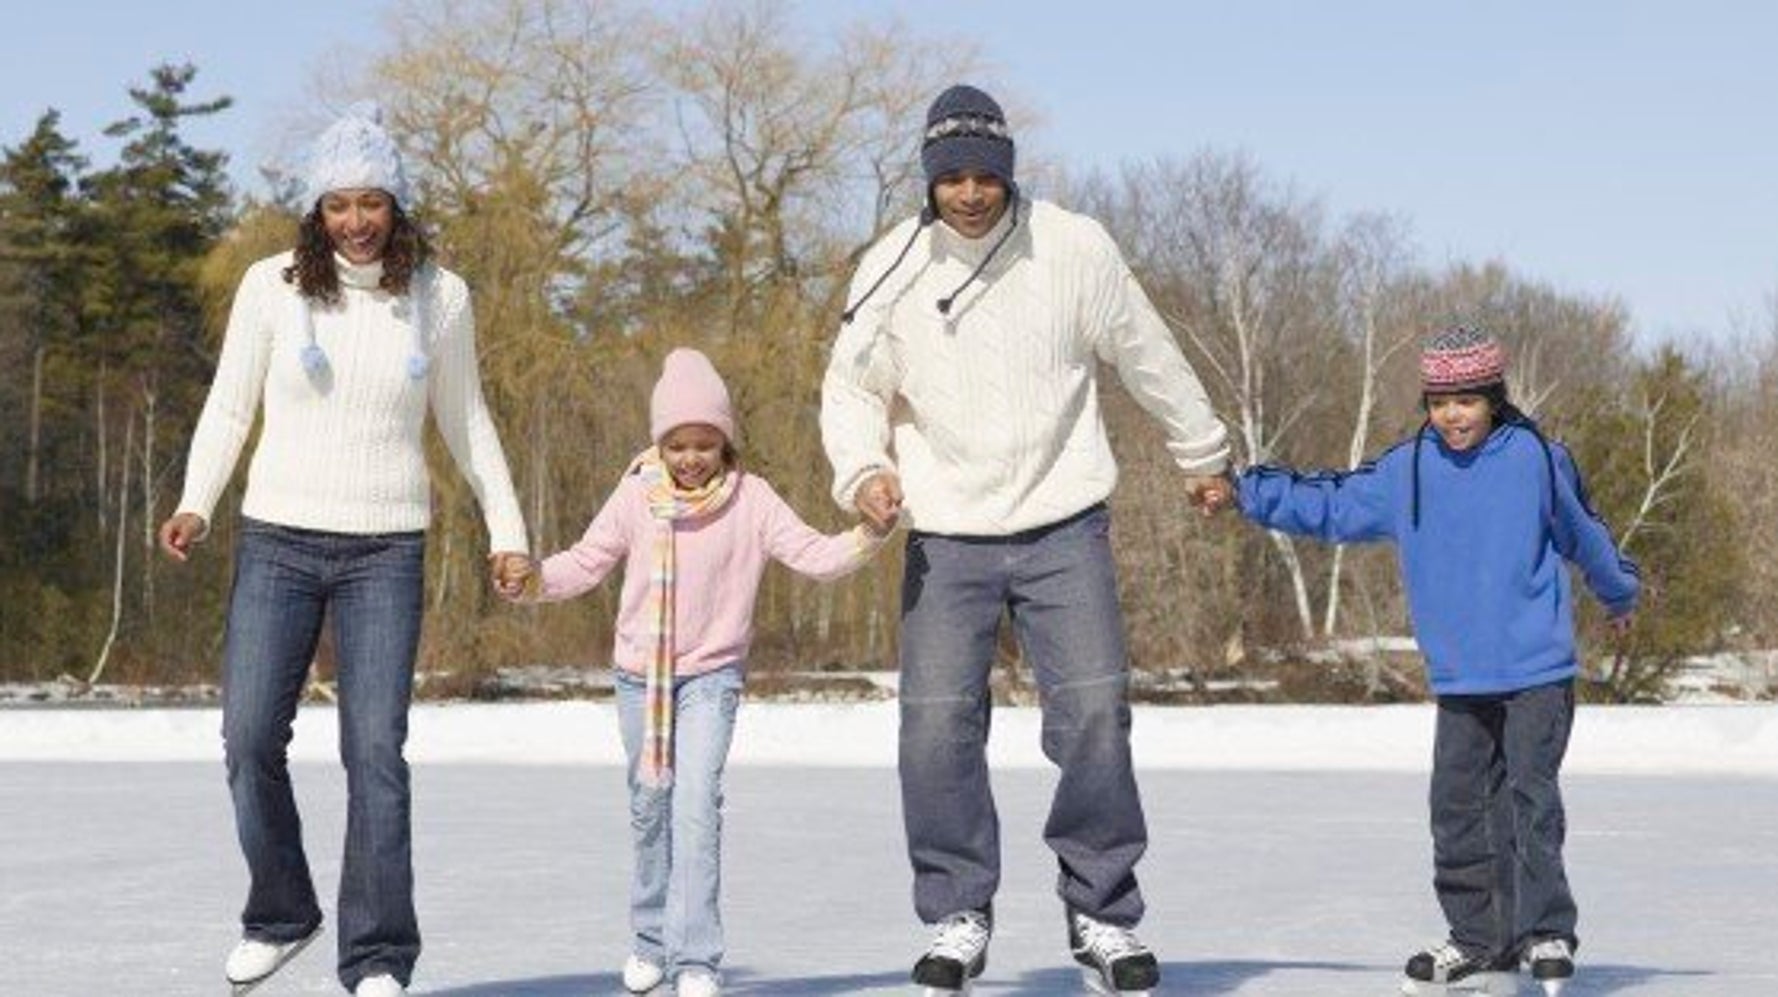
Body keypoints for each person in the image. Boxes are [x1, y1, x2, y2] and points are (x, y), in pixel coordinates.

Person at [820, 83, 1232, 995]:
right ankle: (956, 910)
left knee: (1093, 714)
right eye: (952, 177)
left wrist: (1201, 450)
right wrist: (864, 471)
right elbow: (849, 389)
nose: (970, 193)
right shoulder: (890, 265)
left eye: (985, 175)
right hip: (945, 533)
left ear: (1010, 171)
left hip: (1064, 521)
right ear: (928, 180)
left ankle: (1102, 910)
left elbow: (1147, 350)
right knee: (934, 729)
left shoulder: (1075, 247)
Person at [157, 102, 529, 997]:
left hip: (384, 550)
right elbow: (229, 406)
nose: (356, 221)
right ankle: (281, 911)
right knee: (248, 737)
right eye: (338, 205)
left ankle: (377, 954)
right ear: (316, 212)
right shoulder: (269, 286)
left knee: (376, 753)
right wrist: (195, 502)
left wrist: (508, 532)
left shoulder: (441, 295)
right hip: (279, 537)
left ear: (396, 207)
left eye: (372, 203)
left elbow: (467, 421)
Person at [1230, 324, 1639, 997]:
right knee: (1455, 807)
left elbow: (1583, 531)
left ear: (1494, 398)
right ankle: (1477, 938)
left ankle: (1545, 931)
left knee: (1530, 800)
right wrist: (1246, 491)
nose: (1453, 415)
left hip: (1537, 668)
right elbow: (1329, 503)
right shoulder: (1406, 468)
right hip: (1460, 675)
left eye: (1468, 400)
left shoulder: (1535, 456)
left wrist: (1618, 590)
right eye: (1440, 401)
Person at [504, 348, 892, 997]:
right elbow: (588, 560)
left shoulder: (754, 500)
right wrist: (534, 579)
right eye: (678, 444)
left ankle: (697, 959)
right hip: (639, 678)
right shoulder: (636, 493)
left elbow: (816, 556)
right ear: (661, 443)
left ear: (724, 442)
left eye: (704, 443)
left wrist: (868, 533)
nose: (690, 457)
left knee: (695, 808)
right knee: (650, 806)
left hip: (711, 678)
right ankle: (649, 940)